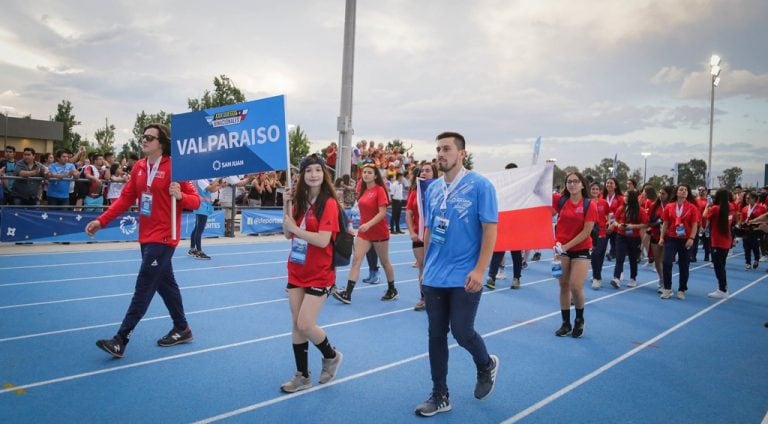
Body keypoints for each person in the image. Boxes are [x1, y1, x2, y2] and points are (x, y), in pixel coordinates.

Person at [87, 124, 200, 358]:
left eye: (150, 137)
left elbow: (196, 201)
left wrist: (181, 196)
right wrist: (102, 221)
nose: (144, 140)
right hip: (146, 236)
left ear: (162, 143)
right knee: (165, 284)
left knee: (144, 285)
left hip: (165, 237)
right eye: (143, 136)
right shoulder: (139, 166)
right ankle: (182, 328)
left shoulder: (176, 168)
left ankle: (121, 338)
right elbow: (125, 198)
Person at [414, 132, 499, 417]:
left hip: (465, 275)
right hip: (435, 275)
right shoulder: (433, 189)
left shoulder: (480, 186)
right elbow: (429, 230)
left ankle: (485, 364)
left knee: (462, 332)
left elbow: (490, 229)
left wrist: (480, 269)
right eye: (438, 148)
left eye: (446, 149)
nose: (440, 153)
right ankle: (440, 394)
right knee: (435, 335)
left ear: (462, 153)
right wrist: (424, 268)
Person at [279, 154, 343, 393]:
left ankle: (331, 355)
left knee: (306, 323)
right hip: (296, 269)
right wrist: (286, 205)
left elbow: (323, 239)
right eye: (309, 171)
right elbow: (287, 235)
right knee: (296, 324)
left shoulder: (328, 203)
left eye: (318, 170)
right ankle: (302, 375)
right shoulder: (299, 201)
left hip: (320, 272)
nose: (313, 174)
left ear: (324, 174)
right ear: (302, 176)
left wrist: (296, 229)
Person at [332, 159, 397, 304]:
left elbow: (382, 213)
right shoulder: (364, 190)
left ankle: (392, 289)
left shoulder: (379, 190)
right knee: (356, 260)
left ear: (375, 176)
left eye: (369, 173)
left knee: (385, 262)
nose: (366, 175)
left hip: (379, 232)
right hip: (364, 233)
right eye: (364, 173)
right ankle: (347, 294)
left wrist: (368, 224)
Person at [553, 172, 597, 338]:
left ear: (582, 184)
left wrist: (566, 246)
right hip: (561, 250)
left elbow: (587, 231)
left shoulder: (588, 205)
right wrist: (546, 170)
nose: (572, 184)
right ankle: (565, 323)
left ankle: (579, 319)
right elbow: (538, 193)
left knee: (575, 286)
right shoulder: (561, 200)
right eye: (569, 181)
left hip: (581, 250)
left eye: (575, 181)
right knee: (563, 285)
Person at [405, 163, 438, 311]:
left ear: (434, 173)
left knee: (436, 266)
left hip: (436, 236)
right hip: (419, 235)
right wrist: (412, 232)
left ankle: (438, 297)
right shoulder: (415, 192)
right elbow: (409, 214)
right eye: (422, 171)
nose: (424, 173)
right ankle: (424, 297)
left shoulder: (440, 190)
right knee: (423, 267)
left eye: (427, 170)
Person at [486, 163, 524, 290]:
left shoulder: (522, 188)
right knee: (498, 251)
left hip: (516, 226)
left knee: (516, 253)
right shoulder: (500, 187)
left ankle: (516, 278)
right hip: (502, 224)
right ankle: (491, 277)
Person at [658, 184, 700, 300]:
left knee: (684, 265)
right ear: (677, 192)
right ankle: (667, 288)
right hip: (671, 238)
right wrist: (661, 237)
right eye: (681, 189)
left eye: (686, 190)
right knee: (666, 262)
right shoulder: (669, 206)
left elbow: (694, 224)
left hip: (685, 239)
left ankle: (682, 289)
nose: (683, 191)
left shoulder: (692, 208)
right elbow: (665, 223)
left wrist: (691, 238)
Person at [609, 190, 647, 288]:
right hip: (621, 236)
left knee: (632, 259)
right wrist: (618, 225)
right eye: (624, 196)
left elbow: (645, 224)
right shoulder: (621, 208)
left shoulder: (640, 210)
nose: (625, 198)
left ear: (633, 198)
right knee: (619, 257)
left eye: (627, 196)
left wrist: (632, 226)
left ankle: (633, 278)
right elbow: (615, 221)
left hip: (634, 238)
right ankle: (616, 278)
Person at [704, 189, 732, 298]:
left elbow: (705, 216)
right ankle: (723, 288)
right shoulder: (729, 208)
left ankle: (722, 289)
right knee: (722, 265)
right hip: (726, 240)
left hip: (717, 241)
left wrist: (707, 206)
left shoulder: (715, 209)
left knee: (718, 266)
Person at [648, 186, 673, 292]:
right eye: (660, 193)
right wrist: (657, 222)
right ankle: (661, 279)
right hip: (655, 235)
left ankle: (665, 282)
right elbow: (649, 221)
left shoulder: (671, 206)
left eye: (663, 194)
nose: (660, 195)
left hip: (668, 237)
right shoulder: (654, 206)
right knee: (657, 261)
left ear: (668, 195)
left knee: (664, 261)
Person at [189, 178, 220, 260]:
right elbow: (210, 188)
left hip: (201, 205)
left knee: (197, 228)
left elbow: (211, 189)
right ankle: (199, 252)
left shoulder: (200, 180)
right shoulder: (200, 180)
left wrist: (220, 186)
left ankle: (192, 249)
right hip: (202, 206)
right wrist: (218, 179)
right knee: (199, 229)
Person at [589, 182, 610, 289]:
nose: (595, 191)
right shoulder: (586, 202)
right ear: (590, 190)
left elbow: (608, 214)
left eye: (597, 189)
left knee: (599, 255)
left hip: (602, 232)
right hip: (589, 233)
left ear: (600, 190)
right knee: (594, 255)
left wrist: (609, 223)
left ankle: (597, 276)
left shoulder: (604, 202)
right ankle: (596, 277)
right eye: (593, 189)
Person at [739, 192, 766, 270]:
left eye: (748, 198)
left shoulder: (761, 208)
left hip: (756, 230)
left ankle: (756, 259)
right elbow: (742, 219)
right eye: (746, 198)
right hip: (746, 230)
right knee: (746, 247)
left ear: (754, 199)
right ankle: (748, 263)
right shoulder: (744, 208)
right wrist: (740, 225)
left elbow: (765, 218)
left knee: (755, 247)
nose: (746, 199)